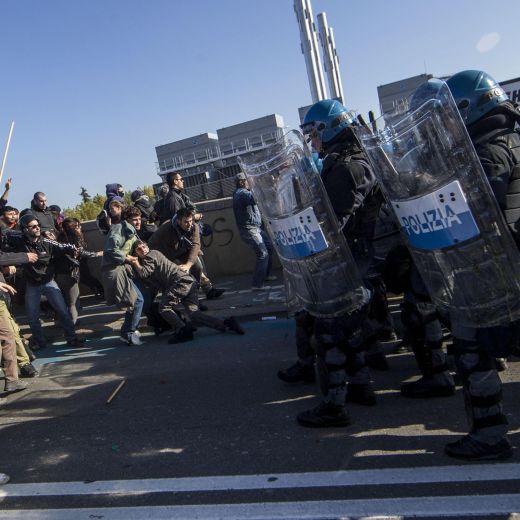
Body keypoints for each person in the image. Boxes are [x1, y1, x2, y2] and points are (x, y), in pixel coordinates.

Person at [440, 70, 520, 460]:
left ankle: (489, 436)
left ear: (467, 108)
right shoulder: (512, 140)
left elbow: (480, 220)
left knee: (472, 352)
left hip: (496, 274)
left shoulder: (489, 154)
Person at [292, 99, 384, 426]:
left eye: (314, 134)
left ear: (328, 129)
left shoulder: (346, 167)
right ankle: (360, 385)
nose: (312, 141)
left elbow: (333, 222)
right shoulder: (354, 158)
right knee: (351, 328)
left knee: (329, 330)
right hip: (359, 256)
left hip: (346, 257)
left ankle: (334, 404)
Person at [129, 241, 244, 343]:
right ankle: (227, 324)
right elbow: (157, 282)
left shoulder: (151, 255)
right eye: (139, 249)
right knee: (194, 314)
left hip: (180, 283)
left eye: (144, 246)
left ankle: (183, 330)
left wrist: (135, 262)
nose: (143, 249)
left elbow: (144, 273)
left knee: (164, 308)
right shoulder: (153, 258)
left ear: (147, 247)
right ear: (136, 253)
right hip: (187, 282)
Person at [3, 213, 85, 350]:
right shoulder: (19, 242)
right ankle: (40, 342)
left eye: (38, 225)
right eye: (33, 226)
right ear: (25, 229)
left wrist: (74, 249)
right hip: (32, 284)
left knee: (62, 311)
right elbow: (6, 240)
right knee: (32, 316)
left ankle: (72, 338)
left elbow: (64, 246)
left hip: (48, 281)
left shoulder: (47, 242)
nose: (37, 228)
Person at [159, 172, 224, 299]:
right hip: (180, 243)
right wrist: (194, 217)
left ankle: (207, 290)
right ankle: (197, 296)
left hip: (184, 240)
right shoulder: (173, 198)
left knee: (197, 266)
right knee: (195, 266)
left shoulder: (177, 196)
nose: (183, 181)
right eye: (180, 179)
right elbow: (177, 220)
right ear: (175, 181)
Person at [101, 206, 144, 346]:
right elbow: (111, 250)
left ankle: (128, 331)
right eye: (135, 219)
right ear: (127, 220)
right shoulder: (118, 229)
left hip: (123, 269)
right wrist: (128, 258)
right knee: (137, 300)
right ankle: (128, 333)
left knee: (137, 301)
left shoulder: (130, 231)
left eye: (139, 219)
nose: (138, 222)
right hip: (115, 269)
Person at [232, 172, 276, 291]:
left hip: (256, 228)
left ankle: (265, 275)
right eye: (247, 180)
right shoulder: (241, 193)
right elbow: (254, 198)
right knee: (263, 254)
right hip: (249, 229)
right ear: (242, 182)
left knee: (269, 248)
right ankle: (257, 284)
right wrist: (261, 185)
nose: (249, 182)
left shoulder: (243, 192)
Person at [56, 218, 102, 324]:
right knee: (73, 302)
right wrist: (97, 254)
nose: (80, 228)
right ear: (73, 227)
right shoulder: (74, 238)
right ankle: (72, 323)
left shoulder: (60, 238)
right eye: (78, 226)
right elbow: (81, 252)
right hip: (70, 273)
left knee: (64, 300)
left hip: (59, 274)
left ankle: (63, 321)